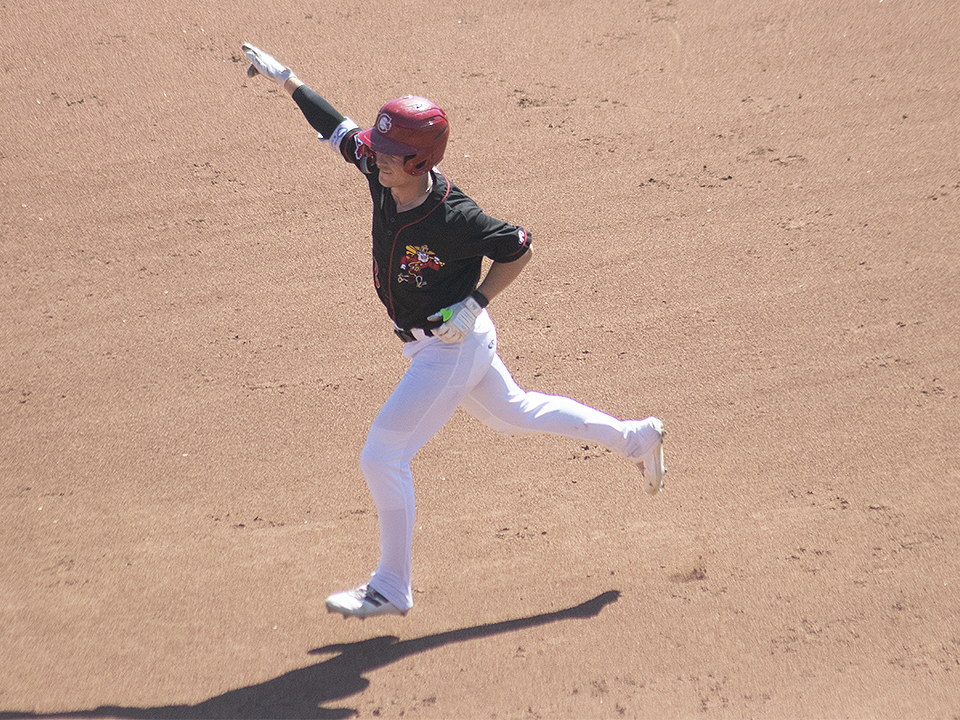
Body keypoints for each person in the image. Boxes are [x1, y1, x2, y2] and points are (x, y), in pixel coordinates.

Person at [241, 43, 667, 619]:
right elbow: (339, 128)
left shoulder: (456, 217)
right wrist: (288, 81)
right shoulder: (381, 169)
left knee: (382, 456)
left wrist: (477, 301)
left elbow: (519, 247)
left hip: (450, 347)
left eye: (390, 153)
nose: (376, 157)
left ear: (420, 162)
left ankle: (391, 585)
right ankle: (635, 438)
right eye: (379, 148)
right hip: (450, 344)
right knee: (517, 412)